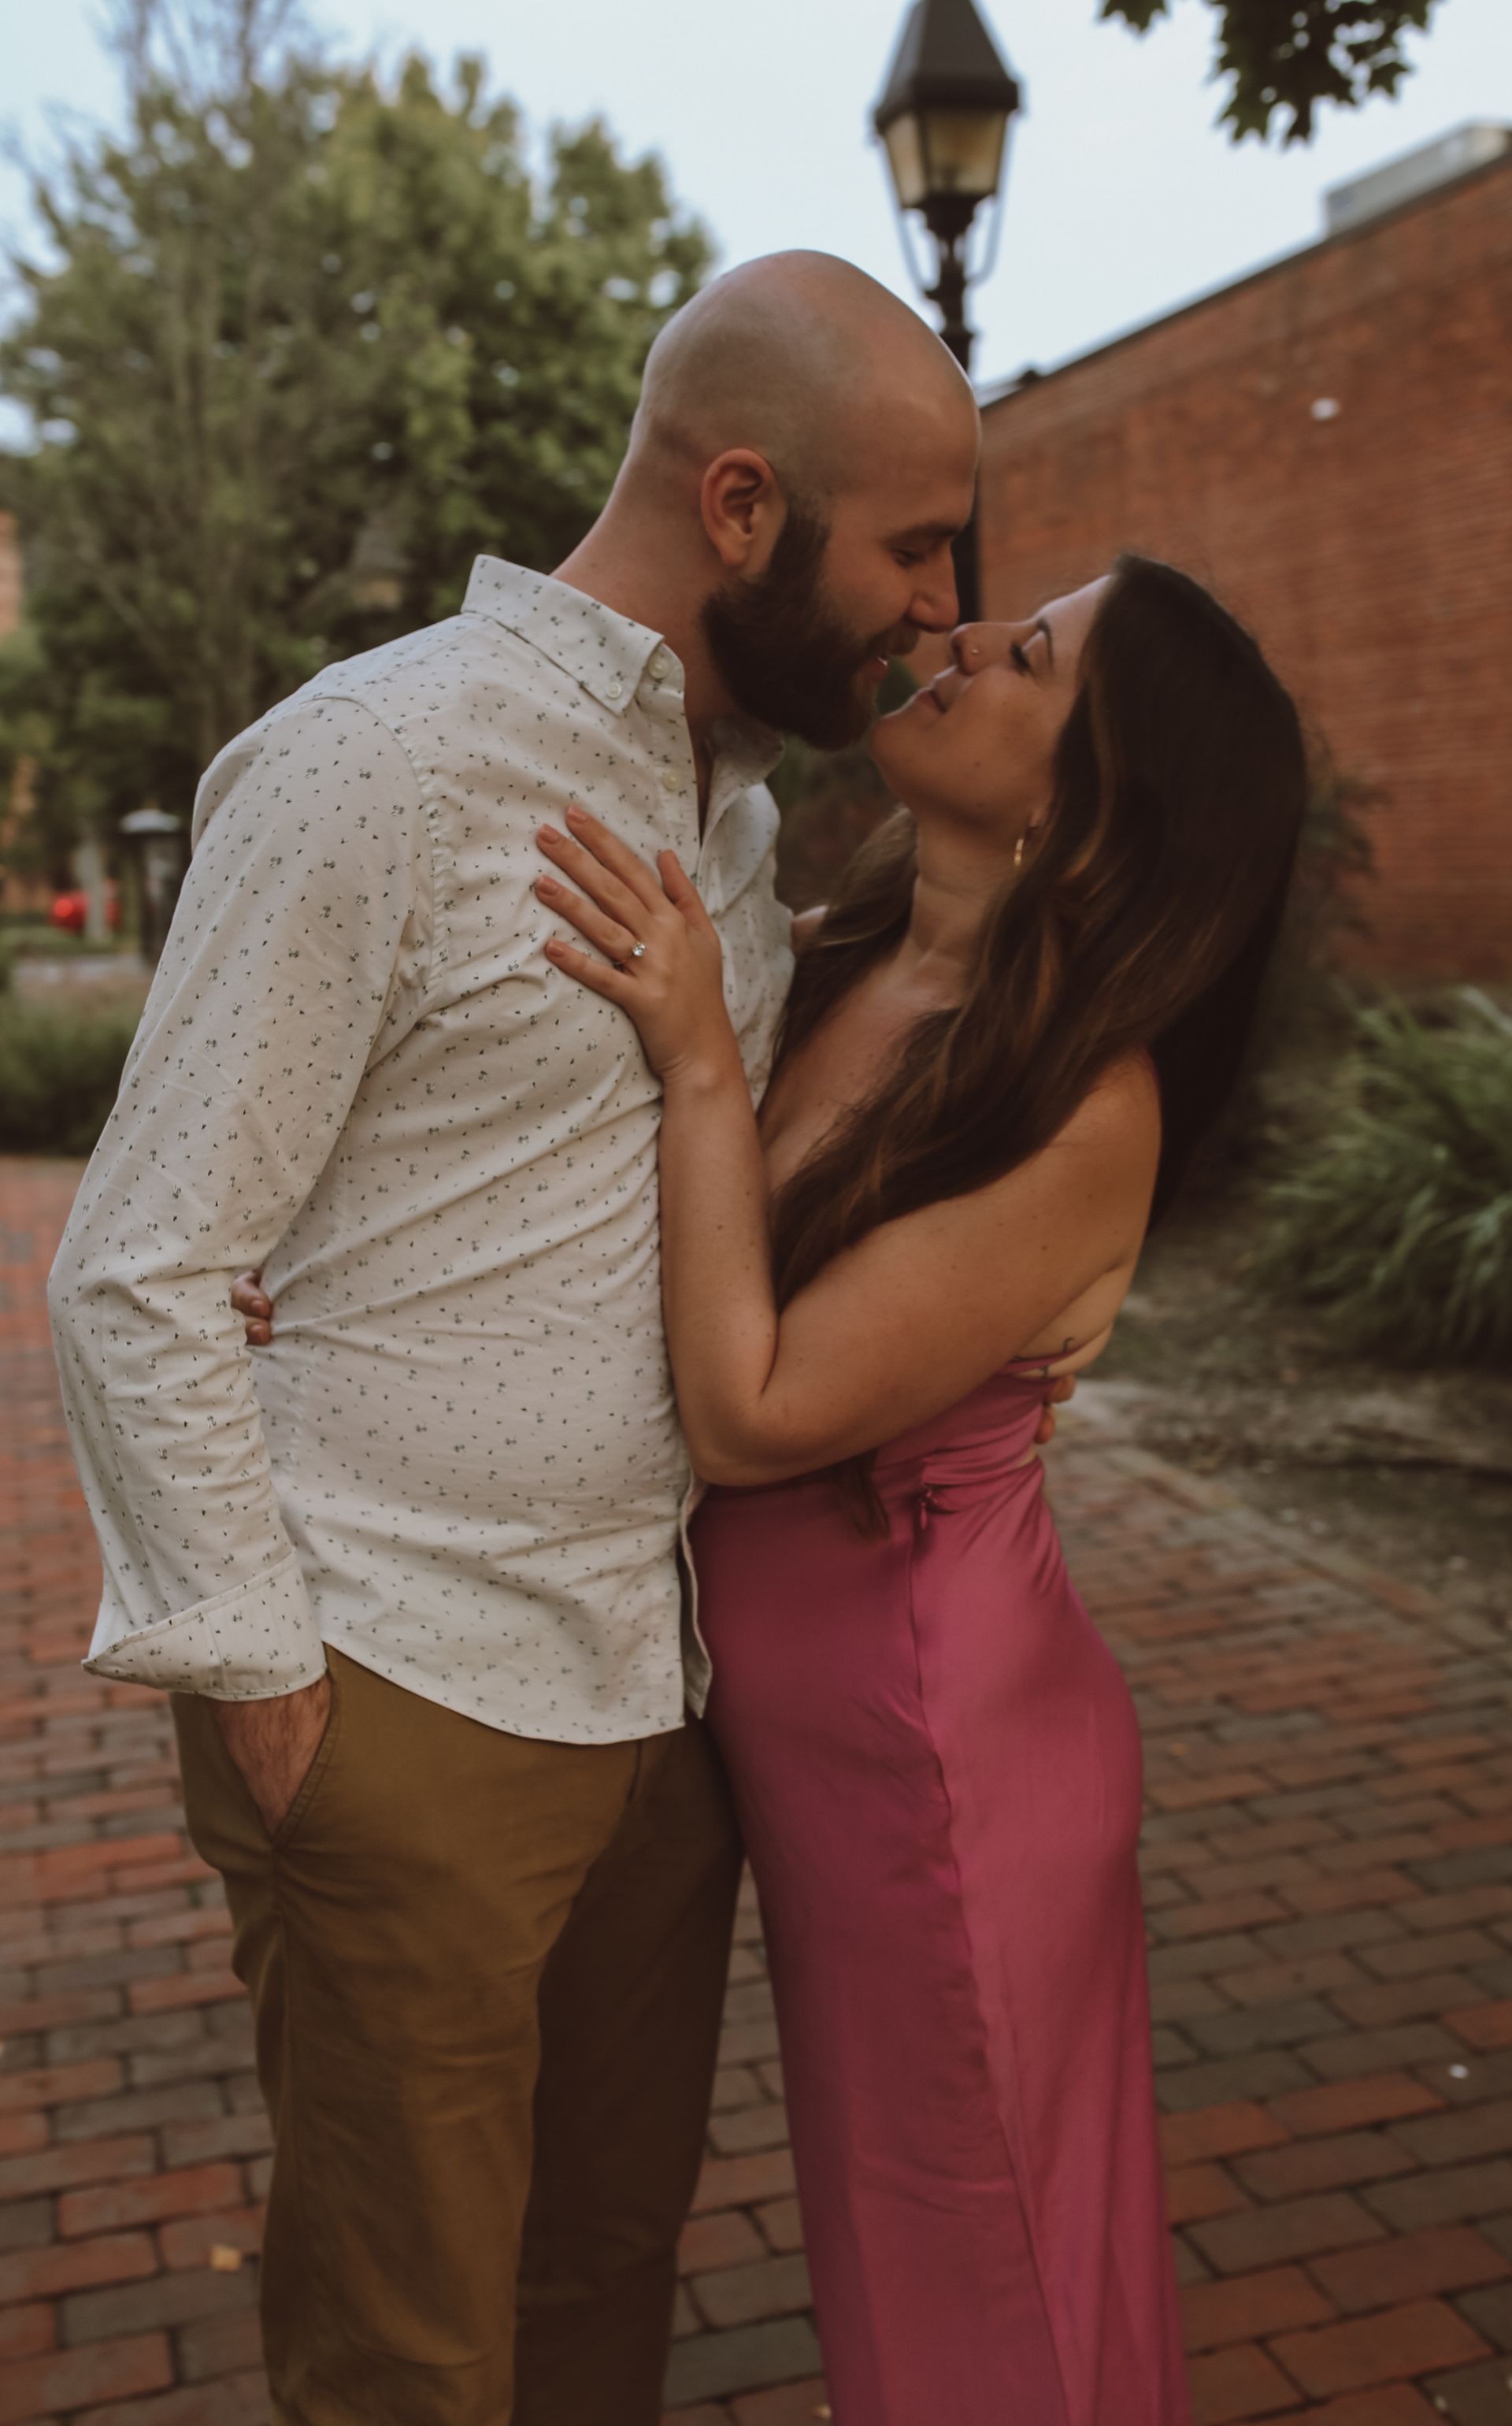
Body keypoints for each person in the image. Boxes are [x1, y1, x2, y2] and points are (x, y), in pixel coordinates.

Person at [47, 251, 1053, 2426]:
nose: (940, 601)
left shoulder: (743, 807)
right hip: (401, 1696)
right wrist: (274, 1682)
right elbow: (135, 1261)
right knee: (408, 2357)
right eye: (913, 543)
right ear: (745, 508)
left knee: (601, 2292)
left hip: (658, 1701)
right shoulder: (376, 768)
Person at [529, 554, 1308, 2425]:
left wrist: (702, 1054)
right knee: (912, 2260)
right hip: (820, 1757)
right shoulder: (844, 952)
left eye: (1025, 652)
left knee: (992, 2288)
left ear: (1081, 798)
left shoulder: (1080, 1103)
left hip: (949, 1776)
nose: (957, 637)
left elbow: (753, 1404)